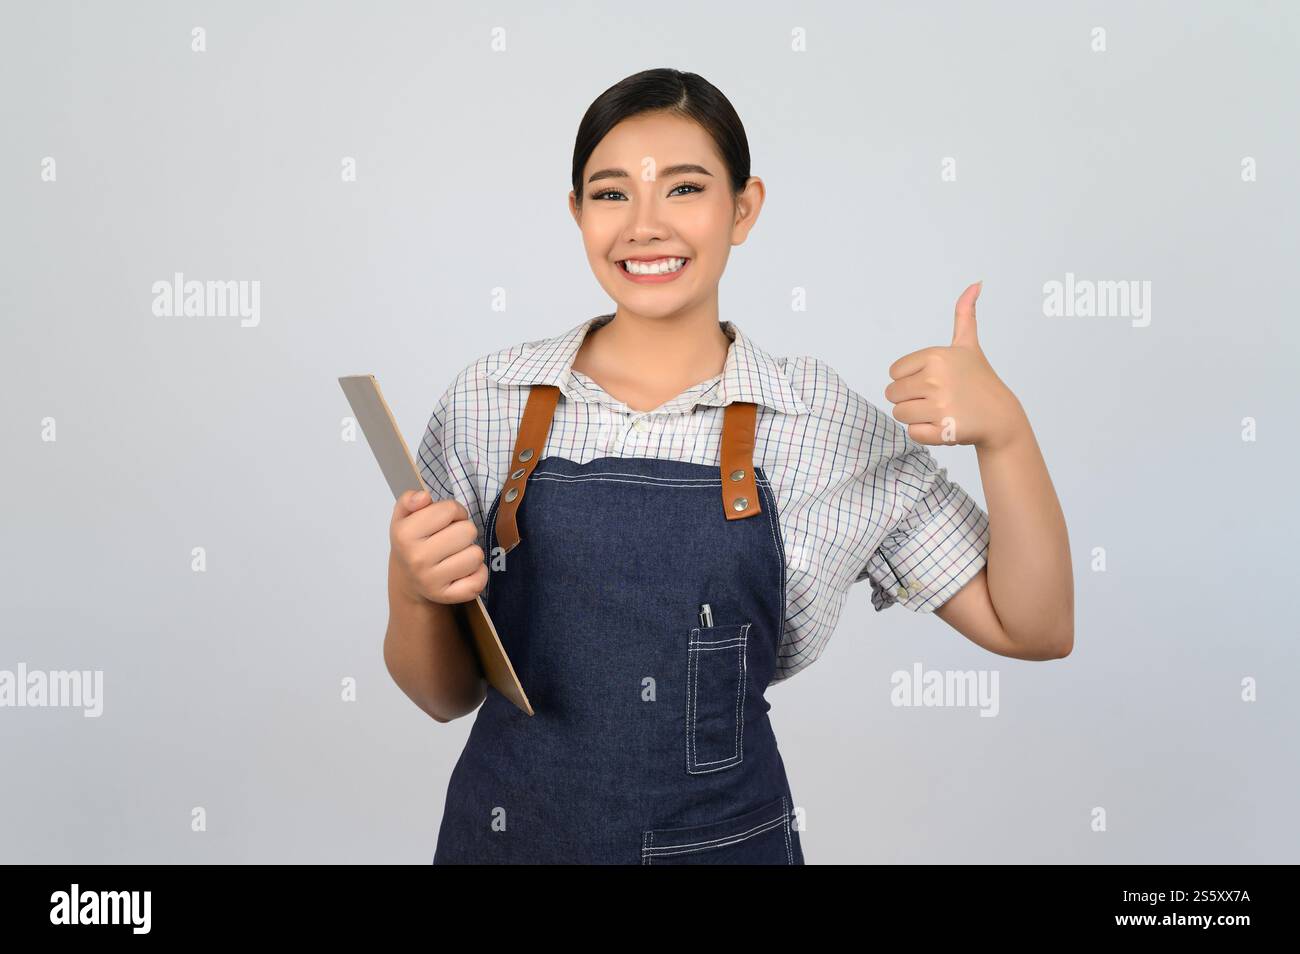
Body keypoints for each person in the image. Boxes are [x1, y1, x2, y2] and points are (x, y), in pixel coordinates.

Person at [383, 68, 1074, 865]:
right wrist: (412, 588)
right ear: (576, 212)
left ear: (743, 209)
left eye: (684, 189)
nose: (645, 225)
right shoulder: (489, 400)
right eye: (611, 195)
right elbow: (443, 696)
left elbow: (1036, 626)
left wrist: (1007, 436)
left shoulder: (819, 421)